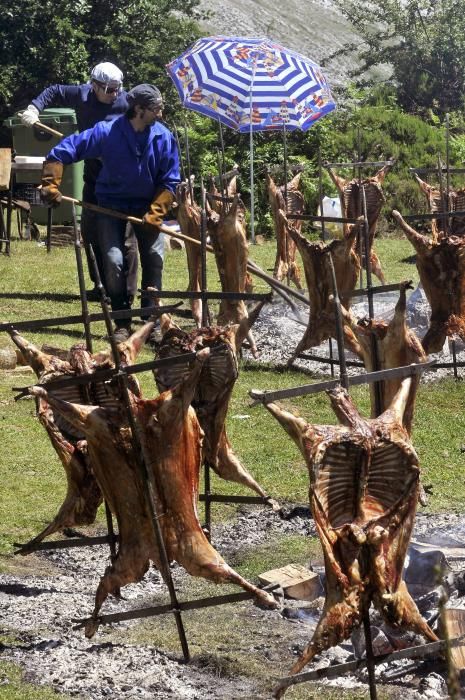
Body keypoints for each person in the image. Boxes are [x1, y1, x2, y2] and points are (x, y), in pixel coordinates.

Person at [40, 83, 180, 343]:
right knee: (114, 261)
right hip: (110, 206)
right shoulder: (107, 132)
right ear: (138, 109)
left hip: (148, 206)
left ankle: (152, 320)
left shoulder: (163, 137)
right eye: (155, 108)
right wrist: (50, 182)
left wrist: (157, 210)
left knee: (153, 256)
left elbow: (170, 180)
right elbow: (63, 151)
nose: (160, 113)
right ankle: (122, 322)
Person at [21, 61, 138, 301]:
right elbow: (54, 90)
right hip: (93, 175)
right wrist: (34, 108)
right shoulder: (82, 95)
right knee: (90, 231)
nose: (113, 94)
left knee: (124, 237)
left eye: (116, 89)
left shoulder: (127, 102)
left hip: (120, 179)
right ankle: (100, 286)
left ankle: (125, 291)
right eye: (108, 89)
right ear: (93, 85)